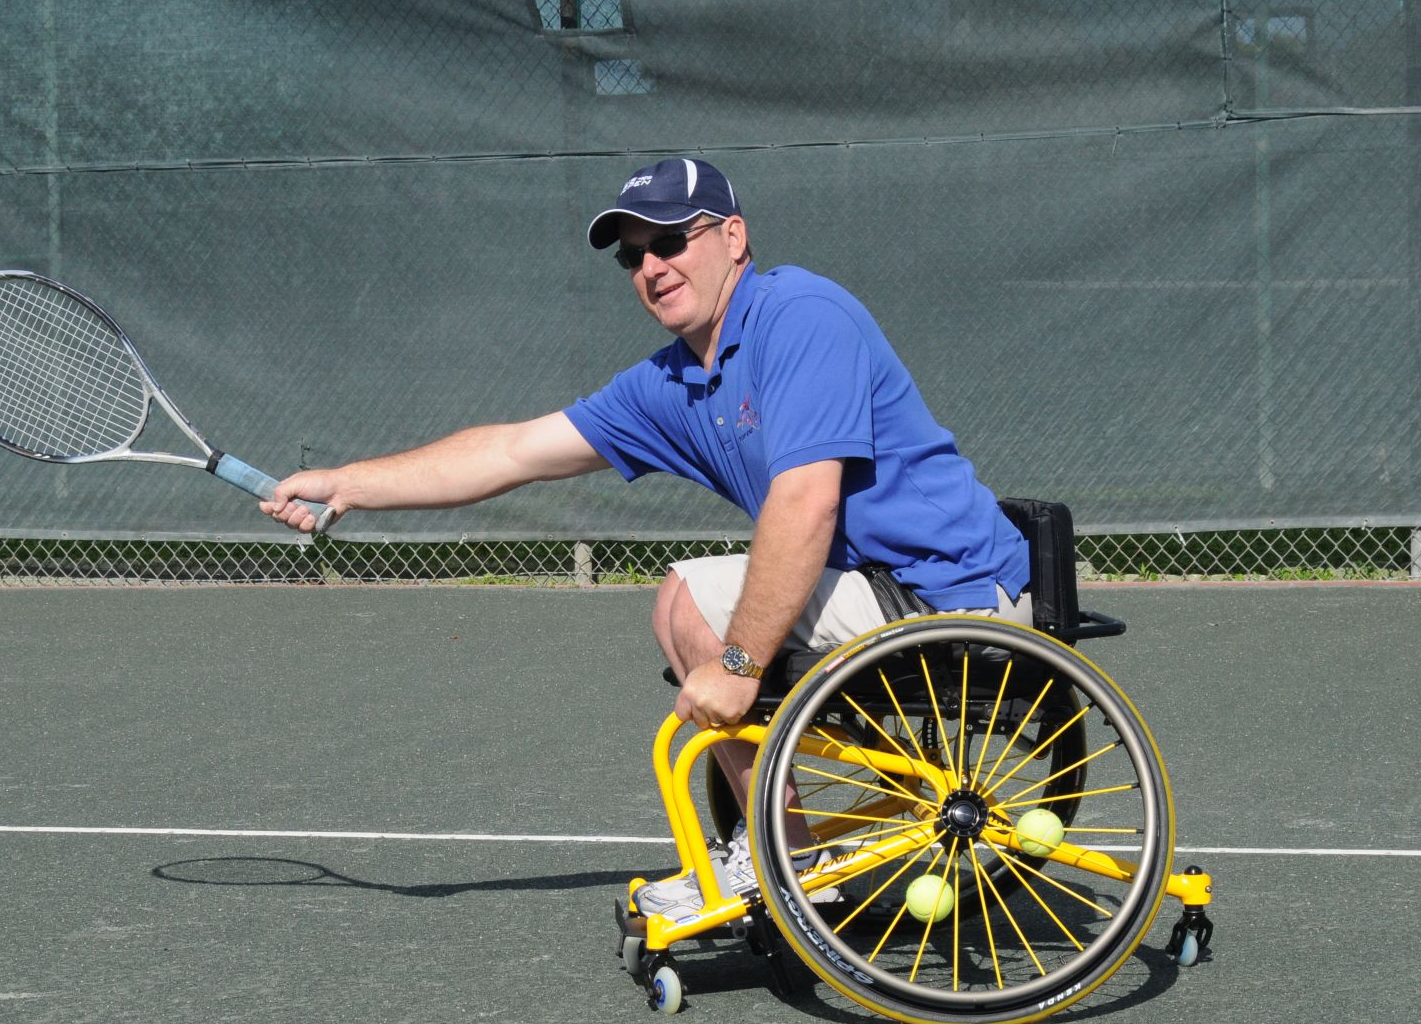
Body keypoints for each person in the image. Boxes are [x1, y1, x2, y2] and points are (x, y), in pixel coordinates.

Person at [263, 157, 1031, 914]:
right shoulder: (676, 381)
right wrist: (350, 485)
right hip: (885, 590)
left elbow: (806, 504)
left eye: (670, 240)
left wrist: (737, 664)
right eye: (634, 256)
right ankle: (784, 850)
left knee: (691, 602)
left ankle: (787, 860)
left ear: (734, 237)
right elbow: (514, 451)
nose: (651, 266)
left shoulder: (801, 316)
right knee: (678, 605)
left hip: (955, 594)